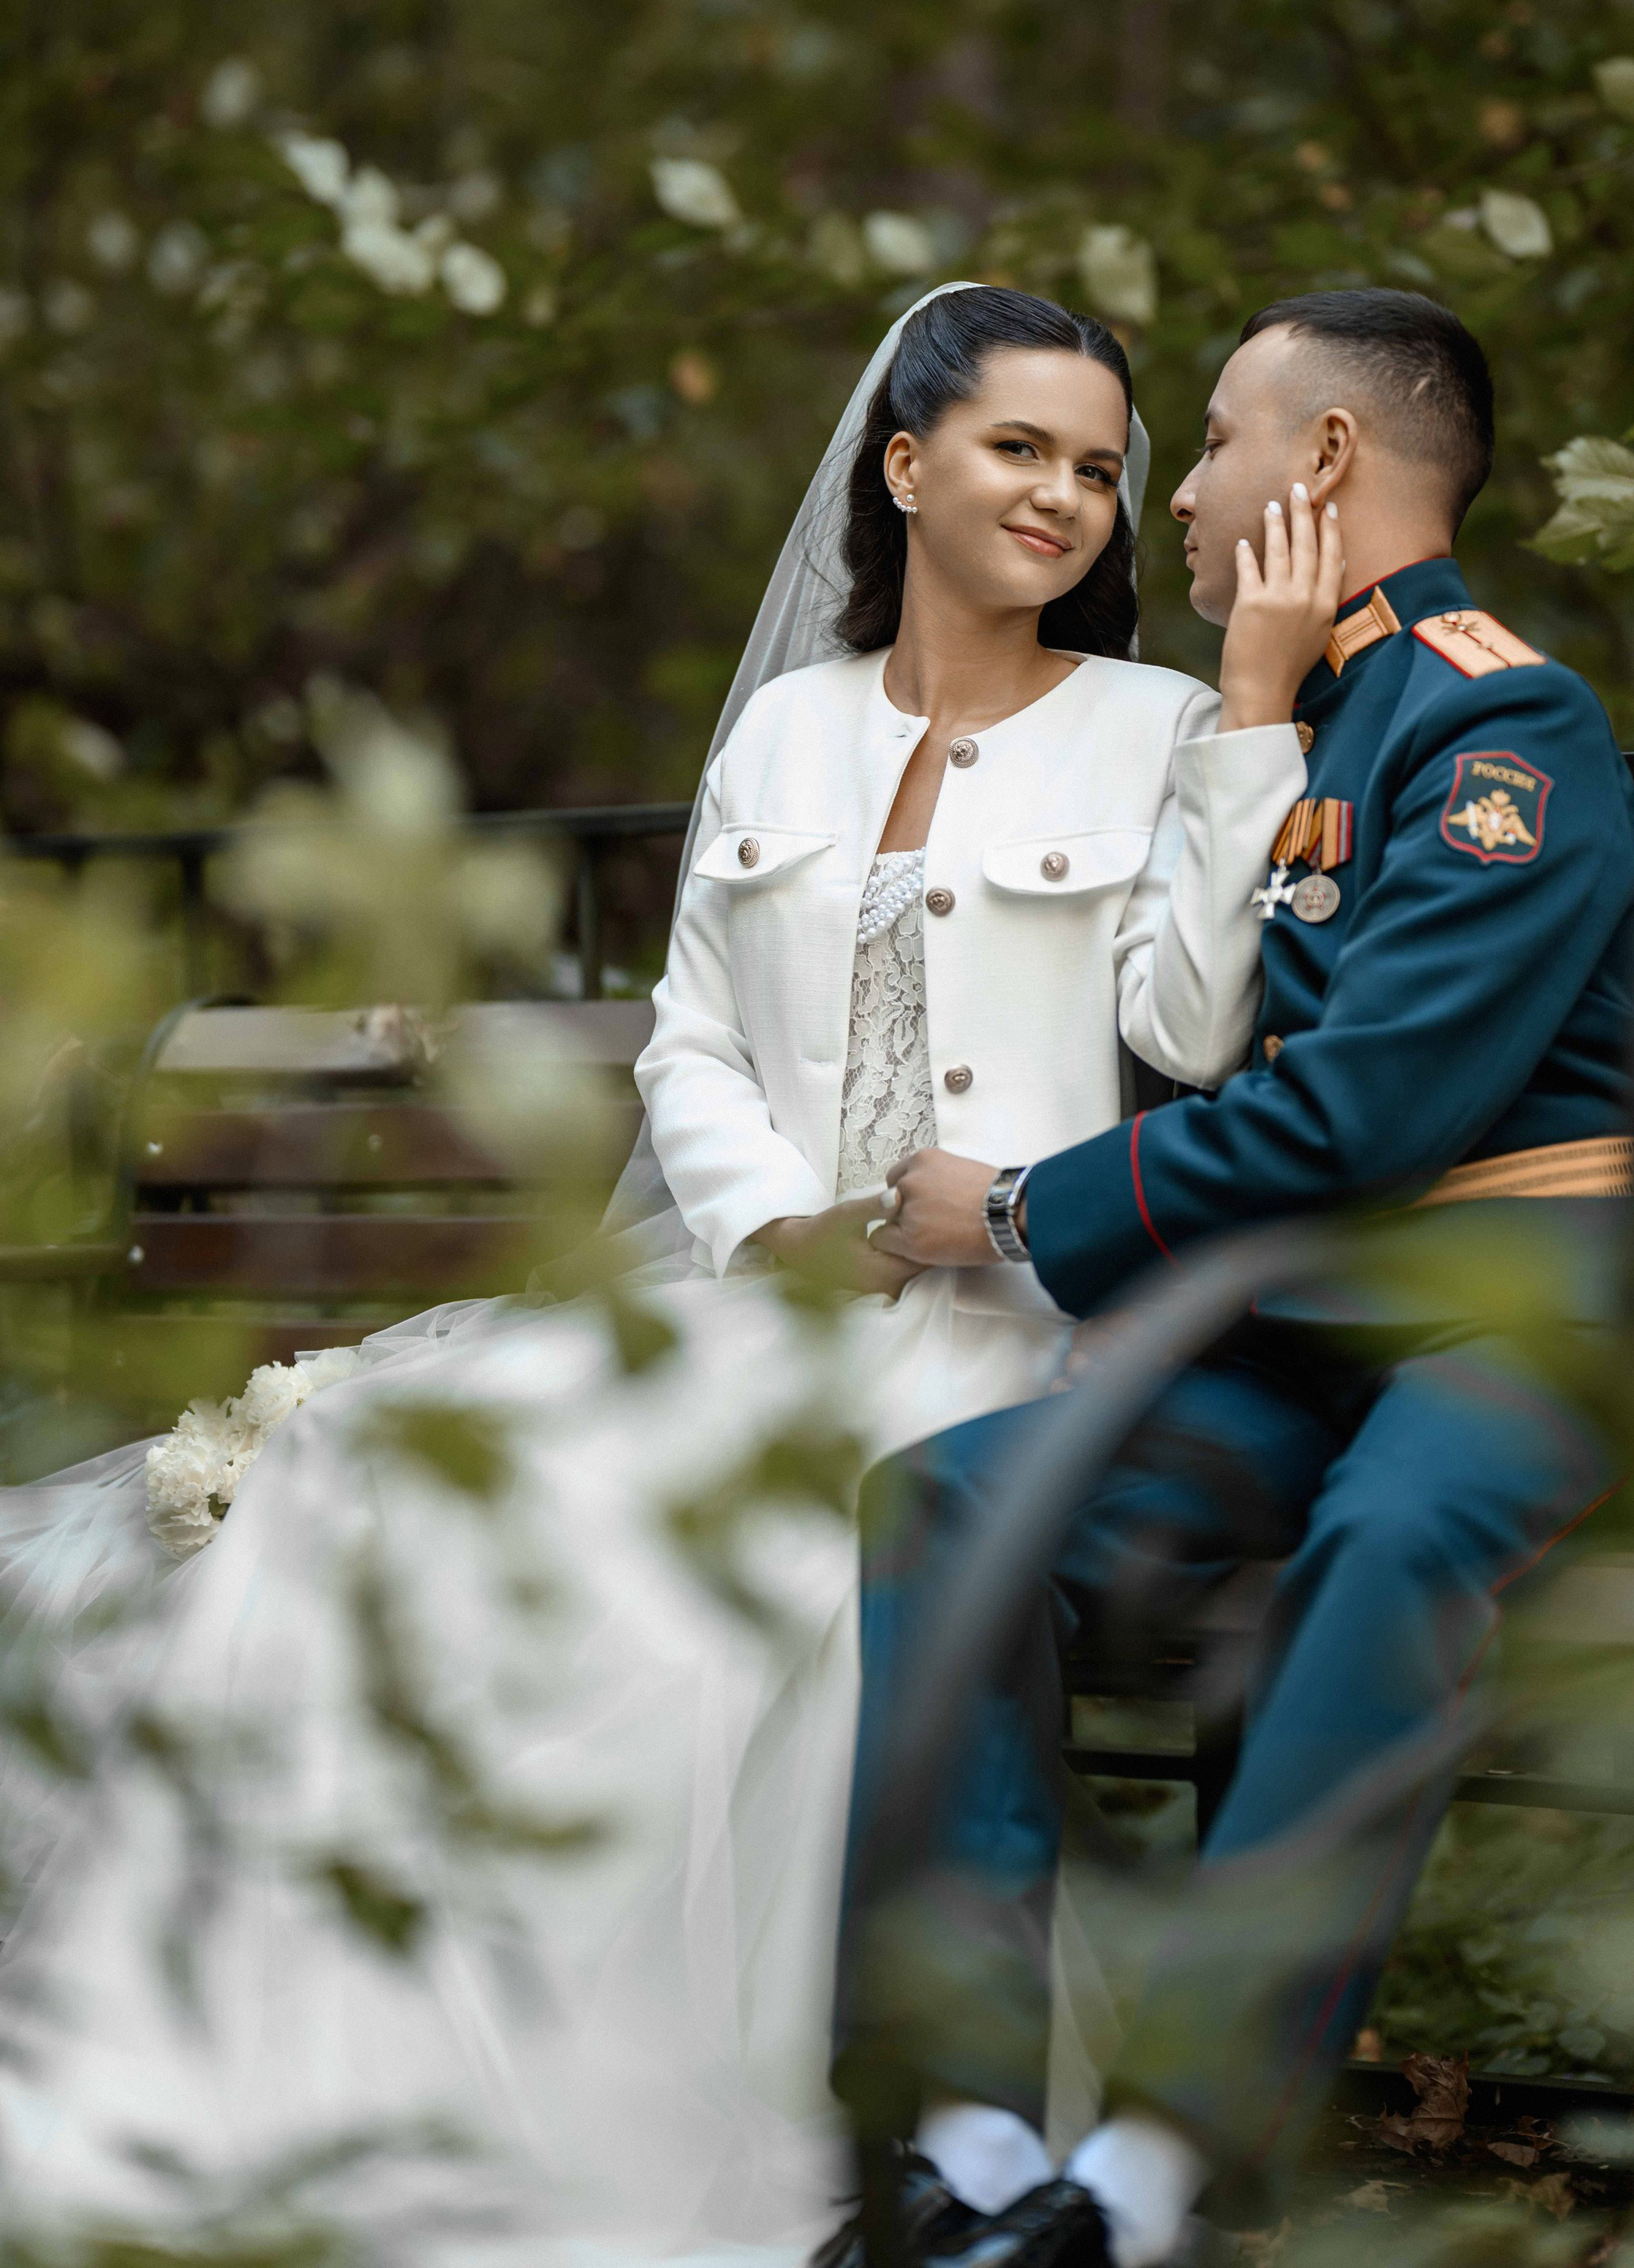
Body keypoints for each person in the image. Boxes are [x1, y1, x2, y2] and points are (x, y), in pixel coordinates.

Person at [0, 284, 1327, 2255]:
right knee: (373, 1476)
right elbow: (694, 1037)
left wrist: (1250, 717)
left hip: (992, 1326)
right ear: (905, 467)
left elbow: (1200, 1031)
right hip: (757, 1287)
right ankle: (306, 2087)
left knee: (676, 1556)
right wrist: (774, 1225)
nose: (1068, 496)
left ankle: (619, 2137)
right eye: (1019, 449)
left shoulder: (1157, 730)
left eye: (1103, 470)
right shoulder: (792, 728)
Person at [835, 288, 1634, 2268]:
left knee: (1388, 1543)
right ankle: (964, 2127)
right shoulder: (1296, 707)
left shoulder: (1495, 720)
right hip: (1299, 1336)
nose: (1176, 493)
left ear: (1329, 460)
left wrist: (1027, 1212)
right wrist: (1257, 705)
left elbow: (1364, 1119)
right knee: (948, 1504)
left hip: (1506, 1322)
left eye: (1208, 440)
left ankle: (1157, 2176)